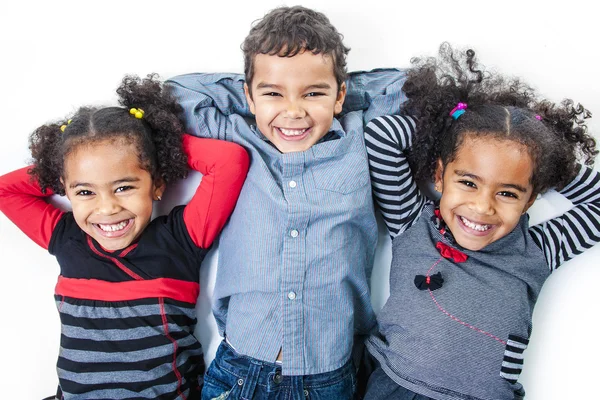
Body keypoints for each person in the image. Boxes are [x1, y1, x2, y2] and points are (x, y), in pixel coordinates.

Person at [166, 5, 407, 399]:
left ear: (339, 94)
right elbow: (178, 94)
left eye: (313, 93)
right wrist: (259, 93)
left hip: (329, 374)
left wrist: (331, 88)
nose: (293, 111)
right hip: (240, 370)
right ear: (248, 95)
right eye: (274, 93)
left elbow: (406, 88)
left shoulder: (362, 141)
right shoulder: (236, 138)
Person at [361, 43, 599, 400]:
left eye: (507, 193)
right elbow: (382, 137)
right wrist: (454, 125)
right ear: (440, 176)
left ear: (530, 199)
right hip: (396, 386)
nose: (482, 207)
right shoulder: (414, 222)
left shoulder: (538, 248)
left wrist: (543, 159)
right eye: (468, 183)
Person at [0, 75, 249, 399]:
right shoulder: (67, 238)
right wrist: (69, 165)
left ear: (157, 184)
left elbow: (228, 162)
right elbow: (6, 190)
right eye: (86, 191)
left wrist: (153, 144)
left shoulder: (180, 239)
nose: (107, 208)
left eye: (123, 187)